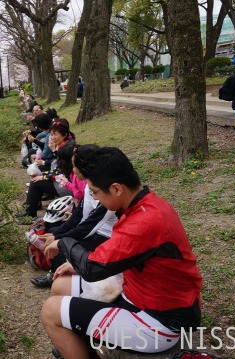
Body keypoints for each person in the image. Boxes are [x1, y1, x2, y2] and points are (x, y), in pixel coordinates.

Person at [41, 147, 202, 358]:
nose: (94, 198)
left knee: (50, 311)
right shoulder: (142, 204)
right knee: (61, 284)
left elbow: (92, 268)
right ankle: (81, 345)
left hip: (161, 321)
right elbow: (113, 255)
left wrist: (63, 243)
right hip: (136, 292)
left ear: (117, 189)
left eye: (95, 192)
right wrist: (74, 261)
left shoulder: (145, 221)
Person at [30, 145, 118, 288]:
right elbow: (79, 215)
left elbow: (90, 225)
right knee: (54, 231)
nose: (72, 168)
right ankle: (56, 273)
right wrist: (54, 234)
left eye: (74, 164)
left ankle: (59, 278)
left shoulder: (106, 190)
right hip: (92, 228)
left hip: (105, 234)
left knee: (64, 243)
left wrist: (59, 239)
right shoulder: (89, 186)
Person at [19, 144, 82, 222]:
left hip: (68, 186)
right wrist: (42, 175)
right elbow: (57, 171)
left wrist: (44, 176)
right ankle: (32, 208)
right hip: (65, 182)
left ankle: (29, 215)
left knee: (36, 183)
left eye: (54, 134)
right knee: (37, 180)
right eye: (51, 134)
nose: (52, 138)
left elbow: (60, 174)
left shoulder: (69, 150)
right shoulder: (64, 148)